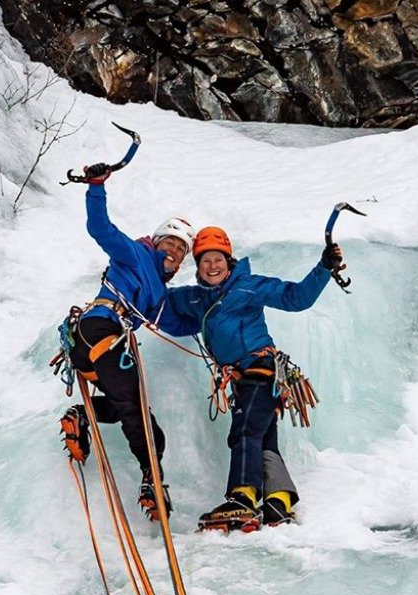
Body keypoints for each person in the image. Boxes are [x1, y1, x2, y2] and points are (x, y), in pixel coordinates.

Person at [165, 226, 345, 531]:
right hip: (241, 377)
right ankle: (279, 501)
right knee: (262, 436)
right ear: (197, 266)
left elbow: (295, 297)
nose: (212, 266)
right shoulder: (196, 299)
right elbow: (160, 302)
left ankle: (243, 498)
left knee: (245, 428)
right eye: (205, 261)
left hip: (260, 369)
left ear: (229, 261)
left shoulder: (247, 286)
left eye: (218, 259)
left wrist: (324, 267)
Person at [60, 162, 195, 521]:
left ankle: (82, 416)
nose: (176, 252)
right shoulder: (135, 254)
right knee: (138, 414)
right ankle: (153, 480)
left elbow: (176, 326)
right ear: (157, 240)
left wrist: (214, 314)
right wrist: (97, 187)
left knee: (129, 408)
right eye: (172, 243)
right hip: (101, 331)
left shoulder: (159, 295)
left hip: (91, 346)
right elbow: (100, 228)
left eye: (182, 250)